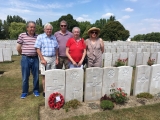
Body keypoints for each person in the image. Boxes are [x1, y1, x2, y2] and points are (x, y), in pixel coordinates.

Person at [34, 23, 59, 98]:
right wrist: (42, 59)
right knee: (44, 76)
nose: (49, 30)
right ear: (44, 29)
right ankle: (45, 91)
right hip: (45, 58)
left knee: (53, 75)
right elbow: (37, 48)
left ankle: (52, 89)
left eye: (50, 29)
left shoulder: (54, 37)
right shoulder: (40, 37)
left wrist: (57, 58)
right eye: (47, 29)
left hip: (53, 58)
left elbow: (56, 48)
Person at [17, 21, 39, 99]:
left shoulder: (37, 36)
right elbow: (18, 48)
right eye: (31, 27)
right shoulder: (22, 35)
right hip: (25, 58)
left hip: (35, 58)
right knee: (25, 76)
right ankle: (25, 92)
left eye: (34, 27)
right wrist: (23, 55)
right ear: (27, 28)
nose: (32, 29)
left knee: (36, 76)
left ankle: (36, 90)